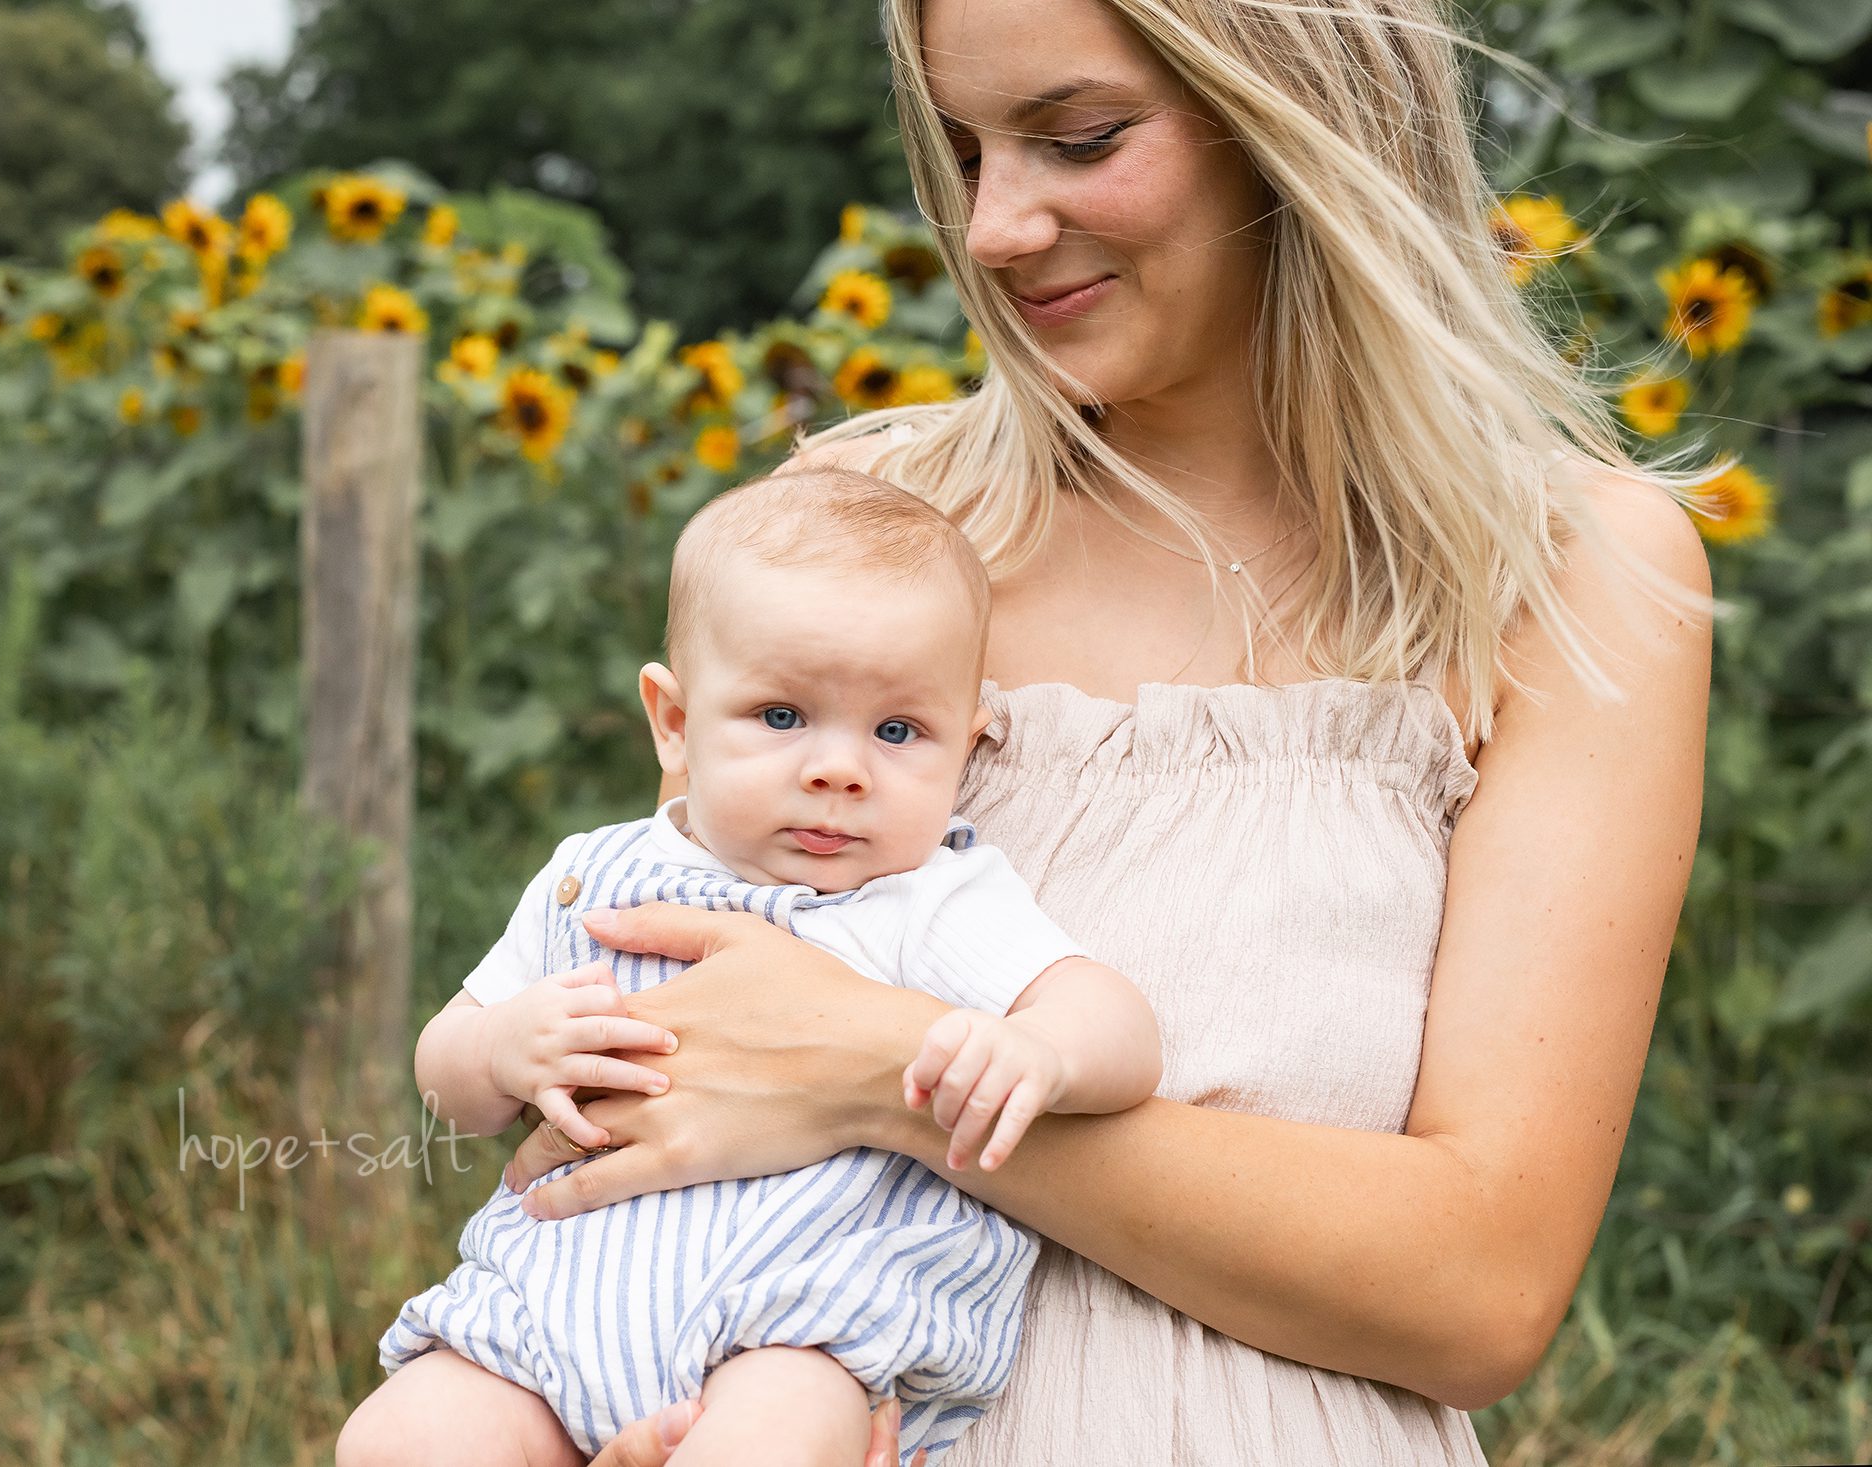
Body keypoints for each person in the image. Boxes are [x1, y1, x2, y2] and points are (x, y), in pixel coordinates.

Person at [473, 0, 1720, 1463]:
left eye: (1078, 139)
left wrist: (884, 1075)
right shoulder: (879, 523)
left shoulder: (1569, 571)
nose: (996, 227)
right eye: (963, 148)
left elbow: (1478, 1288)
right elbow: (661, 1082)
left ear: (1296, 113)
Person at [337, 470, 1164, 1467]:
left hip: (796, 1323)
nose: (839, 769)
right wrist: (498, 1048)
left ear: (969, 739)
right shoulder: (588, 878)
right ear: (674, 723)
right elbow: (446, 1086)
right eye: (781, 716)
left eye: (897, 731)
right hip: (548, 1304)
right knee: (398, 1439)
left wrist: (1039, 1050)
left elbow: (1114, 1020)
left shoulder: (926, 899)